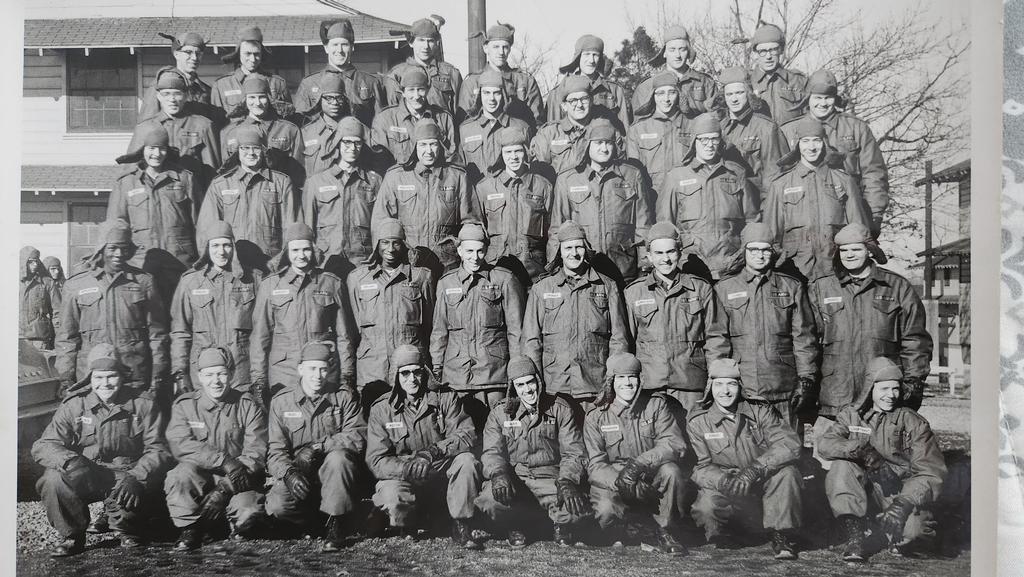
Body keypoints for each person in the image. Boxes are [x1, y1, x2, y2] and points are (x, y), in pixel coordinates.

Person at [32, 345, 171, 556]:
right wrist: (70, 461)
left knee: (133, 530)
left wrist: (137, 477)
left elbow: (159, 448)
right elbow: (43, 445)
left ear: (122, 376)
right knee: (53, 479)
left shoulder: (142, 404)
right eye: (98, 377)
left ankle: (128, 529)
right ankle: (72, 536)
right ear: (90, 378)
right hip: (87, 474)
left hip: (125, 476)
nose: (105, 383)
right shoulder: (74, 404)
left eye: (111, 376)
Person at [817, 357, 948, 561]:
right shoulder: (851, 415)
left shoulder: (913, 422)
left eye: (895, 389)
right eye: (884, 389)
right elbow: (826, 445)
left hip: (898, 491)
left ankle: (885, 529)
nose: (891, 396)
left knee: (917, 534)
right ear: (870, 389)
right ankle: (855, 536)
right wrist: (863, 451)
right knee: (842, 466)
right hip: (865, 489)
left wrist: (902, 504)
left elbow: (931, 471)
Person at [808, 223, 932, 425]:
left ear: (869, 251)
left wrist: (914, 381)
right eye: (844, 250)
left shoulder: (897, 287)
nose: (849, 255)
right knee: (830, 453)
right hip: (835, 394)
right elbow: (808, 341)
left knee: (881, 454)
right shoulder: (822, 288)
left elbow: (915, 340)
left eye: (856, 249)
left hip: (881, 395)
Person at [365, 345, 482, 549]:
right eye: (405, 373)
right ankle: (406, 521)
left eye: (417, 371)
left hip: (438, 473)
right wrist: (406, 468)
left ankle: (461, 524)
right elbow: (376, 459)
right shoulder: (382, 409)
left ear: (424, 371)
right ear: (396, 376)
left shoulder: (446, 398)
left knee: (467, 461)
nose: (412, 379)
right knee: (392, 498)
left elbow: (466, 434)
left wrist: (433, 452)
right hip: (406, 476)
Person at [687, 358, 803, 560]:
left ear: (740, 386)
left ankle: (781, 534)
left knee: (787, 473)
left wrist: (755, 470)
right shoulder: (698, 422)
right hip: (728, 485)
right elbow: (699, 467)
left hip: (762, 480)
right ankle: (733, 532)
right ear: (710, 388)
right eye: (719, 384)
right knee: (706, 508)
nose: (725, 391)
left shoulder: (760, 410)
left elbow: (789, 444)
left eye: (731, 384)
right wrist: (722, 481)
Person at [476, 356, 590, 548]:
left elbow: (574, 451)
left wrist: (568, 480)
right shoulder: (500, 413)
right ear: (513, 388)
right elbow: (491, 451)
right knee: (489, 502)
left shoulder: (559, 409)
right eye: (520, 385)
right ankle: (515, 524)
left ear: (538, 381)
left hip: (550, 479)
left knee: (577, 510)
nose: (528, 390)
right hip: (515, 479)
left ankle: (559, 525)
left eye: (530, 382)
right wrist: (498, 473)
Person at [713, 223, 818, 428]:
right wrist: (719, 381)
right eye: (753, 249)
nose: (759, 255)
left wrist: (806, 379)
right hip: (743, 386)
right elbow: (717, 338)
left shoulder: (792, 287)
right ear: (744, 251)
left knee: (788, 450)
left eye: (765, 250)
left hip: (783, 385)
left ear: (773, 252)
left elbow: (804, 337)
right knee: (748, 451)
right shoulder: (724, 288)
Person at [266, 342, 366, 552]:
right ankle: (313, 521)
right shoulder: (282, 402)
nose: (318, 375)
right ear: (300, 369)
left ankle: (336, 523)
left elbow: (357, 436)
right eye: (312, 369)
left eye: (323, 369)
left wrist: (319, 447)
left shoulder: (343, 397)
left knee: (339, 458)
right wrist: (289, 473)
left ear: (329, 370)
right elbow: (275, 451)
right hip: (300, 472)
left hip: (332, 475)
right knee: (278, 507)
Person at [165, 347, 268, 550]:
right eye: (209, 375)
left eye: (221, 374)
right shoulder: (185, 405)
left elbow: (256, 451)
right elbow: (181, 444)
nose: (216, 381)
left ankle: (229, 526)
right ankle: (191, 528)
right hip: (199, 478)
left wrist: (224, 488)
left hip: (238, 480)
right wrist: (223, 460)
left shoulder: (247, 404)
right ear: (200, 377)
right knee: (179, 475)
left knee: (250, 513)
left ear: (230, 374)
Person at [584, 353, 688, 554]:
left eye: (632, 377)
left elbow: (673, 442)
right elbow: (596, 465)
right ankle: (628, 529)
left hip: (650, 473)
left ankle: (664, 531)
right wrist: (624, 482)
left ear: (640, 379)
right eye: (621, 378)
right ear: (611, 381)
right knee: (605, 512)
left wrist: (638, 465)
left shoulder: (656, 406)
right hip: (615, 479)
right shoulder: (597, 415)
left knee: (671, 471)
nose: (627, 383)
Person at [521, 221, 629, 414]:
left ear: (586, 250)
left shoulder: (607, 286)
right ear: (559, 252)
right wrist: (536, 383)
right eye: (568, 248)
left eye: (579, 247)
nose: (574, 253)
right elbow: (531, 341)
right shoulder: (542, 289)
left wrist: (612, 382)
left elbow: (618, 339)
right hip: (555, 386)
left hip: (595, 384)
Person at [56, 219, 169, 400]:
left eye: (124, 248)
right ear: (101, 248)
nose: (119, 254)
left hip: (134, 374)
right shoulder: (76, 285)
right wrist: (65, 377)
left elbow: (157, 334)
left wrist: (158, 373)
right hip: (92, 376)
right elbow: (67, 338)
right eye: (113, 248)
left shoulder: (143, 282)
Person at [623, 222, 728, 412]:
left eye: (670, 252)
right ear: (649, 256)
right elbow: (625, 342)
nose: (666, 259)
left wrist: (715, 379)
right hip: (650, 387)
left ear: (679, 252)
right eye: (659, 253)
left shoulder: (700, 288)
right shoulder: (634, 293)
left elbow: (716, 337)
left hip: (691, 385)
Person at [430, 222, 525, 429]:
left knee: (499, 431)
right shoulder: (446, 283)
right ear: (460, 250)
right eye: (470, 251)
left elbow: (515, 331)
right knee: (461, 433)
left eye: (481, 251)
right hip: (456, 377)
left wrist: (516, 370)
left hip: (494, 374)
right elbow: (439, 331)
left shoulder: (504, 280)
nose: (475, 257)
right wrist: (437, 369)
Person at [250, 223, 355, 403]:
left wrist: (347, 375)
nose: (301, 255)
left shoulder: (331, 283)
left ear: (314, 250)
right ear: (286, 252)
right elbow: (260, 337)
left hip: (322, 372)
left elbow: (344, 336)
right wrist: (259, 380)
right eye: (295, 250)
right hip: (284, 373)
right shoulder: (271, 285)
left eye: (306, 249)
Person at [780, 69, 888, 236]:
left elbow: (873, 173)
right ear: (808, 98)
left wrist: (875, 214)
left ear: (835, 99)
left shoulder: (856, 127)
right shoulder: (789, 130)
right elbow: (779, 178)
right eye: (817, 98)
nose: (823, 104)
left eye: (828, 98)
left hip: (849, 212)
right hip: (802, 214)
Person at [764, 115, 869, 282]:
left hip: (835, 272)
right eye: (805, 141)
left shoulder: (844, 181)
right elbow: (770, 237)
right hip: (796, 272)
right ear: (797, 145)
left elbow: (859, 231)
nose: (811, 147)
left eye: (816, 141)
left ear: (824, 143)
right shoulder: (780, 185)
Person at [549, 118, 653, 284]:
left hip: (623, 268)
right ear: (588, 144)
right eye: (598, 143)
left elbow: (643, 224)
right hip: (584, 270)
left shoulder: (632, 175)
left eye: (609, 143)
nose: (604, 148)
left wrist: (645, 265)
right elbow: (557, 229)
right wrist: (555, 267)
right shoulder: (568, 179)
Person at [657, 112, 759, 280]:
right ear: (693, 142)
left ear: (721, 141)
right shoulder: (676, 177)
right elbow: (665, 227)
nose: (709, 145)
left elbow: (752, 223)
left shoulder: (737, 174)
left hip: (731, 266)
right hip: (691, 266)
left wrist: (740, 257)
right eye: (703, 139)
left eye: (714, 139)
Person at [345, 219, 435, 406]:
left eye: (396, 242)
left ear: (403, 244)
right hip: (372, 369)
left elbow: (430, 328)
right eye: (385, 242)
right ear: (376, 243)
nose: (391, 248)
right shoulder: (357, 279)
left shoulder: (421, 277)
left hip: (409, 371)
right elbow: (351, 332)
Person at [372, 118, 478, 273]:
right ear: (415, 146)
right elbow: (381, 222)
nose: (428, 151)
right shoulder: (396, 177)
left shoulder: (457, 177)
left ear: (440, 146)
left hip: (447, 264)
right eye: (423, 144)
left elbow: (471, 223)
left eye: (433, 144)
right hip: (408, 263)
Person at [170, 221, 264, 396]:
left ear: (233, 248)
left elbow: (262, 332)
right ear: (207, 247)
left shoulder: (253, 280)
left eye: (226, 245)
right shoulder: (190, 282)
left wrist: (259, 375)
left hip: (241, 372)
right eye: (215, 245)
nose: (221, 252)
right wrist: (180, 372)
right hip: (204, 372)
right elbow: (180, 332)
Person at [110, 123, 200, 305]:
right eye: (151, 148)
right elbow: (116, 225)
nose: (156, 154)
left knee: (179, 315)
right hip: (141, 263)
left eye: (161, 149)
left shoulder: (184, 178)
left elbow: (199, 222)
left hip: (179, 261)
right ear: (143, 150)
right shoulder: (126, 183)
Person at [197, 124, 299, 269]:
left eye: (256, 148)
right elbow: (207, 230)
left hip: (270, 264)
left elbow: (291, 227)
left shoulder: (281, 183)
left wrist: (282, 265)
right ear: (237, 151)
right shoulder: (220, 185)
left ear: (264, 151)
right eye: (245, 148)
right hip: (233, 265)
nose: (251, 153)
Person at [303, 116, 383, 280]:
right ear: (338, 143)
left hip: (363, 261)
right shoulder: (316, 182)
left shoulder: (374, 181)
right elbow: (308, 227)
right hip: (326, 261)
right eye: (347, 142)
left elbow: (379, 225)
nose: (352, 148)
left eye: (357, 142)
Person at [474, 126, 554, 285]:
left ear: (525, 151)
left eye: (518, 151)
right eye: (508, 152)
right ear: (501, 154)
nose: (513, 157)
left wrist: (550, 267)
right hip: (495, 269)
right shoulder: (486, 188)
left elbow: (553, 231)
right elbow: (477, 229)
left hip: (534, 271)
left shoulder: (542, 186)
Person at [127, 68, 220, 186]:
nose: (172, 99)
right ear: (158, 97)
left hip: (192, 195)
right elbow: (131, 171)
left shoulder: (203, 126)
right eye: (166, 94)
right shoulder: (145, 128)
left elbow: (212, 171)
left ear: (186, 96)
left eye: (177, 94)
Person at [294, 19, 386, 126]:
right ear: (326, 48)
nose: (340, 50)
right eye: (335, 44)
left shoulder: (371, 82)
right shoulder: (309, 83)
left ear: (352, 47)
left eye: (344, 45)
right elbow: (300, 124)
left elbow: (381, 124)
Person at [531, 76, 624, 183]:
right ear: (564, 106)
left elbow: (620, 167)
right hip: (560, 194)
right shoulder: (548, 134)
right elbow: (540, 178)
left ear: (591, 101)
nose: (579, 105)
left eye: (584, 99)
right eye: (573, 100)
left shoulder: (607, 130)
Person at [718, 66, 789, 195]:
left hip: (756, 201)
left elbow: (775, 175)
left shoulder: (766, 127)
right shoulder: (719, 127)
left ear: (748, 93)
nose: (734, 99)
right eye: (729, 94)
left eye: (739, 93)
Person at [220, 75, 303, 186]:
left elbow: (298, 173)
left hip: (281, 192)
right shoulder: (231, 133)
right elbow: (227, 174)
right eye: (252, 97)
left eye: (262, 97)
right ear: (245, 100)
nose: (257, 103)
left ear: (269, 98)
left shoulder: (289, 130)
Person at [458, 22, 544, 128]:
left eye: (505, 47)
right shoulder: (472, 83)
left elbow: (538, 123)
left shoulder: (525, 82)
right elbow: (463, 125)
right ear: (485, 48)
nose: (501, 52)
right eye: (495, 47)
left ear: (510, 49)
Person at [457, 68, 534, 185]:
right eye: (486, 93)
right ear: (479, 95)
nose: (491, 99)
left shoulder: (521, 127)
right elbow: (459, 170)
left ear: (503, 95)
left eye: (496, 93)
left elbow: (530, 168)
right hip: (476, 197)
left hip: (510, 197)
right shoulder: (466, 129)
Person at [371, 68, 458, 169]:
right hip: (400, 180)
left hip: (435, 179)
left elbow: (452, 157)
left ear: (428, 89)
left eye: (421, 89)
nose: (416, 96)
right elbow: (379, 161)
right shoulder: (385, 119)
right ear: (402, 92)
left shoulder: (443, 118)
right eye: (411, 90)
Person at [626, 71, 694, 200]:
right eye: (660, 93)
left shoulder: (692, 125)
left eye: (672, 92)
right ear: (653, 96)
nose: (666, 99)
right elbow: (632, 173)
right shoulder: (638, 130)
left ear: (679, 94)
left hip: (687, 196)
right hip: (652, 197)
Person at [546, 34, 632, 129]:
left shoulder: (614, 91)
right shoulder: (558, 92)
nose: (591, 60)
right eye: (586, 54)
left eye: (595, 55)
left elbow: (625, 131)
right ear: (578, 57)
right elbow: (553, 132)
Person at [631, 26, 717, 120]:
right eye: (672, 50)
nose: (678, 55)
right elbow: (639, 126)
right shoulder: (647, 86)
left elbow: (717, 117)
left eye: (682, 49)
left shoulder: (705, 82)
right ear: (664, 53)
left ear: (688, 52)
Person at [384, 17, 463, 117]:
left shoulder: (450, 73)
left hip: (442, 129)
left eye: (430, 41)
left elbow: (459, 113)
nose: (426, 46)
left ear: (436, 43)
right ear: (411, 42)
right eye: (421, 40)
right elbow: (393, 114)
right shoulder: (396, 75)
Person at [212, 26, 293, 118]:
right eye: (248, 54)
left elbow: (288, 117)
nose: (253, 59)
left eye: (256, 54)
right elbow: (217, 121)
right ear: (239, 54)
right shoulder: (222, 85)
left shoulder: (277, 83)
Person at [139, 31, 216, 124]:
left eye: (198, 53)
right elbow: (146, 124)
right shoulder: (160, 86)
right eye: (188, 52)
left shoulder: (205, 91)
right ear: (176, 54)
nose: (194, 58)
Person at [748, 23, 808, 125]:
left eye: (773, 50)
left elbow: (810, 117)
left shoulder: (798, 81)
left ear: (781, 50)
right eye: (763, 51)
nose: (768, 56)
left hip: (791, 138)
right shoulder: (747, 82)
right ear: (755, 53)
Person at [300, 74, 355, 180]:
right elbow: (297, 171)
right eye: (328, 98)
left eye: (339, 98)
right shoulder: (306, 133)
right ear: (320, 99)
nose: (334, 102)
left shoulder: (354, 129)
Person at [21, 246, 59, 350]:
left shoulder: (47, 283)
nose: (35, 264)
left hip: (39, 339)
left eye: (37, 261)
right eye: (31, 262)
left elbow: (57, 313)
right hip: (17, 337)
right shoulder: (10, 282)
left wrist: (59, 339)